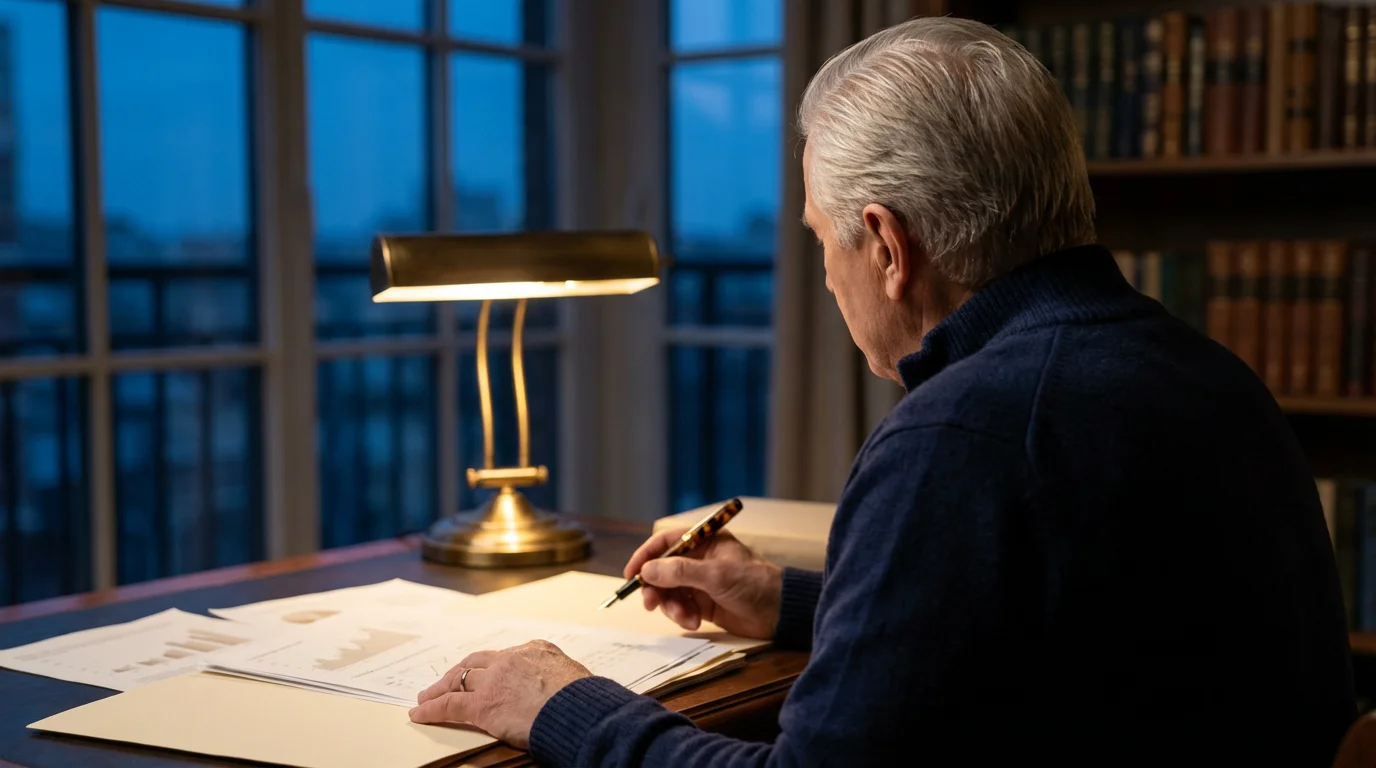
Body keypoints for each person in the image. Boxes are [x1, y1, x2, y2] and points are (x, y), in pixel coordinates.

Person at [409, 16, 1357, 765]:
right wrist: (782, 597)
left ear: (889, 246)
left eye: (824, 239)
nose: (826, 275)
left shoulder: (962, 433)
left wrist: (559, 706)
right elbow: (1062, 628)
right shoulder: (1200, 371)